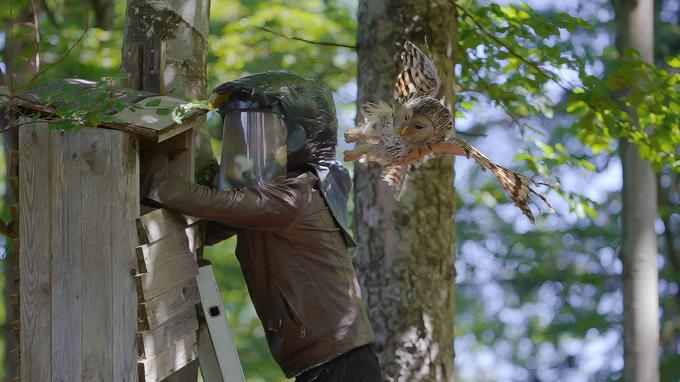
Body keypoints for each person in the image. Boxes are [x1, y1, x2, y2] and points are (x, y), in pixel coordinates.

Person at [142, 71, 382, 381]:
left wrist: (151, 184)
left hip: (342, 361)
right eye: (241, 130)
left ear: (296, 137)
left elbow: (225, 205)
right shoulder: (274, 199)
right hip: (325, 360)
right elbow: (214, 228)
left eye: (263, 129)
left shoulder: (297, 193)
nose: (250, 142)